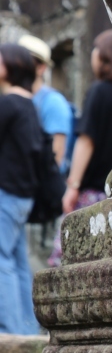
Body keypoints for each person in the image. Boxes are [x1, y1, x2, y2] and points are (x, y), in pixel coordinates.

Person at [0, 44, 46, 334]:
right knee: (16, 262)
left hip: (6, 192)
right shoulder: (29, 103)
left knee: (3, 261)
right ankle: (26, 331)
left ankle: (8, 330)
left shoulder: (8, 104)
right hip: (21, 196)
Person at [61, 31, 112, 217]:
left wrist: (73, 185)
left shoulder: (99, 91)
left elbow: (86, 141)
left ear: (104, 55)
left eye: (95, 49)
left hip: (92, 193)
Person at [18, 35, 73, 171]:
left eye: (24, 61)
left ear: (41, 67)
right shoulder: (14, 98)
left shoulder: (53, 102)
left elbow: (56, 160)